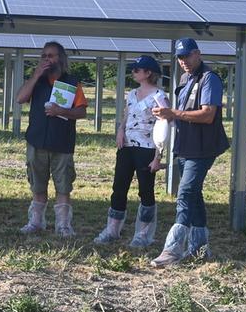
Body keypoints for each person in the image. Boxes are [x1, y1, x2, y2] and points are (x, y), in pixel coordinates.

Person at [150, 38, 229, 267]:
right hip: (186, 145)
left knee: (185, 193)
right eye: (180, 57)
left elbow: (207, 115)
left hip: (202, 147)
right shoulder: (185, 79)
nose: (183, 61)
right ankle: (200, 250)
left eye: (187, 56)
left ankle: (172, 250)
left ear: (198, 54)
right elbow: (182, 112)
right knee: (194, 195)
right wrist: (167, 114)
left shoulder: (209, 79)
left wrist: (172, 113)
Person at [16, 41, 88, 237]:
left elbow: (82, 112)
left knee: (63, 186)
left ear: (61, 58)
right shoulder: (36, 81)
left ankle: (63, 225)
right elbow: (20, 98)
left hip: (62, 143)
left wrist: (61, 111)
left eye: (52, 56)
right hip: (36, 141)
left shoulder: (72, 82)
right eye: (44, 56)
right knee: (37, 185)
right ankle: (36, 222)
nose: (48, 59)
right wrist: (36, 75)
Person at [94, 55, 167, 247]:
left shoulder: (159, 97)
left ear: (148, 73)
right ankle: (112, 229)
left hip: (147, 148)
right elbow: (126, 115)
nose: (133, 72)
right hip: (126, 146)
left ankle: (143, 234)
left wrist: (158, 156)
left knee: (145, 191)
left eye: (137, 69)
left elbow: (164, 126)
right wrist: (120, 130)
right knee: (119, 188)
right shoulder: (132, 94)